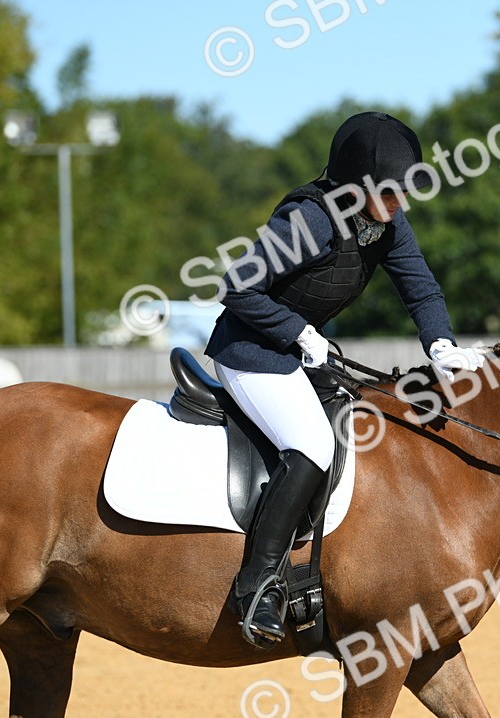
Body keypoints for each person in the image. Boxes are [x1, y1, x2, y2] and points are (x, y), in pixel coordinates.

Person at [204, 111, 485, 649]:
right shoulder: (310, 221)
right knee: (310, 444)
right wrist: (298, 332)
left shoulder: (386, 222)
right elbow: (237, 288)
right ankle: (258, 584)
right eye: (391, 190)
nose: (401, 201)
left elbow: (421, 290)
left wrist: (441, 345)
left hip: (300, 357)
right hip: (249, 352)